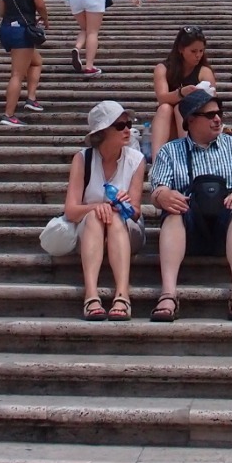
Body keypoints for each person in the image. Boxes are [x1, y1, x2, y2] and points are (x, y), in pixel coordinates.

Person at [147, 88, 232, 323]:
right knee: (172, 210)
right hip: (188, 228)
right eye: (210, 115)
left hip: (224, 226)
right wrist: (164, 195)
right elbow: (156, 190)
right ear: (191, 119)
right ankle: (168, 295)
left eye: (219, 113)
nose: (218, 119)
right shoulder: (170, 151)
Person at [63, 101, 147, 321]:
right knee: (94, 216)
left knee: (117, 217)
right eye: (119, 126)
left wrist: (124, 204)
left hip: (126, 230)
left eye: (128, 123)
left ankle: (122, 294)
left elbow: (136, 212)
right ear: (103, 131)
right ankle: (91, 294)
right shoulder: (83, 159)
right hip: (91, 231)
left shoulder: (136, 160)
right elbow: (71, 210)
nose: (128, 129)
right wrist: (97, 207)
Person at [149, 26, 217, 159]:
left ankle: (190, 155)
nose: (198, 55)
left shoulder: (204, 71)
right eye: (193, 51)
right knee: (165, 108)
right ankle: (157, 159)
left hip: (195, 123)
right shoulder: (163, 68)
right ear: (181, 49)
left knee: (180, 108)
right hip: (169, 124)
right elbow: (162, 98)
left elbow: (213, 104)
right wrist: (181, 93)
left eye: (201, 51)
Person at [0, 0, 48, 127]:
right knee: (17, 74)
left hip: (6, 29)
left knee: (36, 62)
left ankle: (31, 98)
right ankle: (8, 114)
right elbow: (39, 3)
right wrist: (45, 18)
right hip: (22, 30)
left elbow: (1, 11)